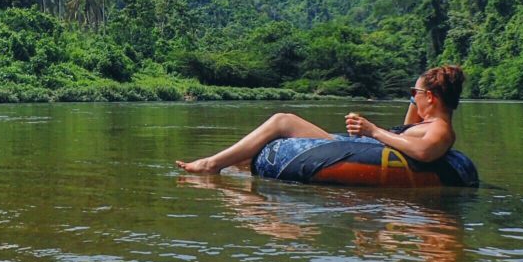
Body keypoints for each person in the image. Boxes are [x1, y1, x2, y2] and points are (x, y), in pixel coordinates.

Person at [176, 65, 464, 174]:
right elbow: (410, 127)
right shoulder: (426, 122)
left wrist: (372, 130)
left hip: (360, 151)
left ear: (433, 98)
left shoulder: (440, 130)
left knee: (282, 121)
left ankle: (210, 165)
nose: (412, 96)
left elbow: (424, 152)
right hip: (357, 147)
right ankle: (224, 170)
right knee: (246, 159)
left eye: (416, 92)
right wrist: (416, 97)